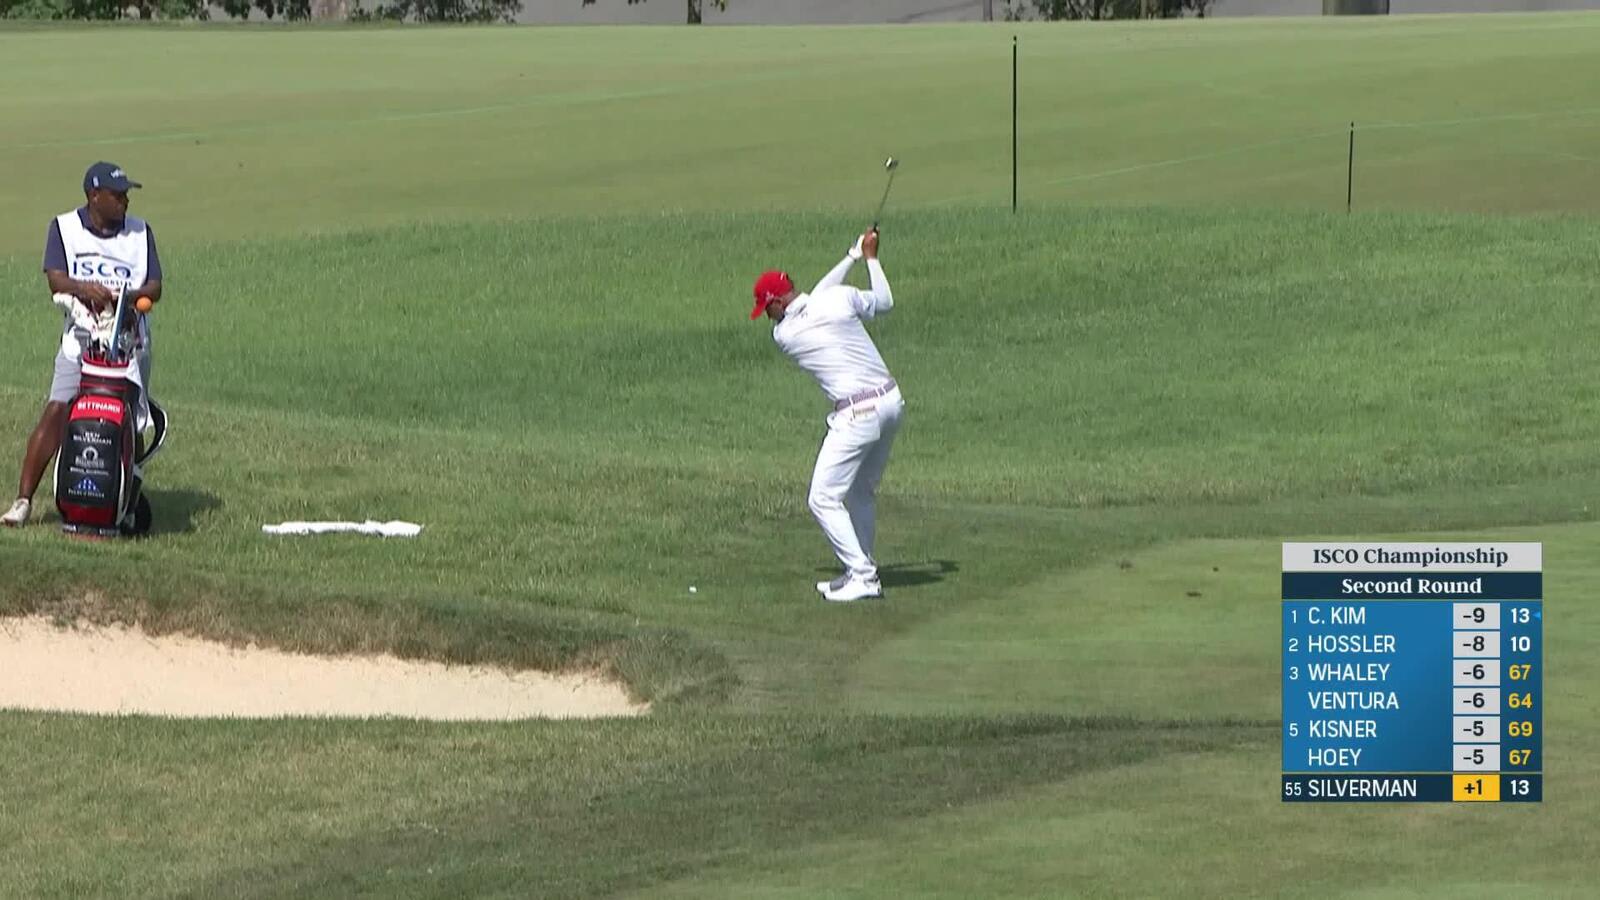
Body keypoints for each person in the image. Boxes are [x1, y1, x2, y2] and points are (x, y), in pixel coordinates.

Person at [1, 162, 162, 528]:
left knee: (131, 423)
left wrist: (127, 298)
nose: (124, 201)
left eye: (126, 194)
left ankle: (125, 506)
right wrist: (82, 288)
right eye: (117, 194)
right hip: (81, 338)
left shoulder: (140, 232)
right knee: (57, 409)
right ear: (93, 196)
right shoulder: (64, 228)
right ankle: (23, 501)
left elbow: (154, 287)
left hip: (130, 342)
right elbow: (55, 280)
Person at [750, 229, 904, 603]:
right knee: (860, 491)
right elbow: (882, 301)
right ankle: (861, 568)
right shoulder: (839, 299)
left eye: (765, 308)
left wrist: (851, 258)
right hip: (891, 402)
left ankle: (864, 577)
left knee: (822, 498)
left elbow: (811, 299)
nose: (766, 316)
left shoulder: (786, 334)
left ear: (774, 303)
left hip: (858, 414)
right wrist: (866, 258)